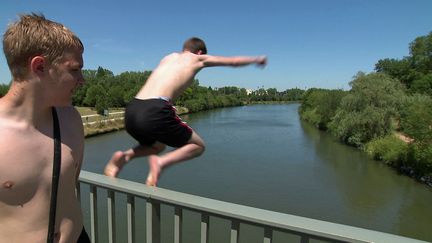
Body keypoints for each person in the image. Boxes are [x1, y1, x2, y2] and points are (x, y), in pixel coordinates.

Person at [105, 37, 267, 186]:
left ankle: (124, 156)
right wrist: (256, 59)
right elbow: (234, 61)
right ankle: (161, 163)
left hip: (132, 109)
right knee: (198, 146)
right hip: (155, 110)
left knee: (158, 146)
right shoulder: (198, 58)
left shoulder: (168, 57)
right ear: (199, 52)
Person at [0, 14, 90, 242]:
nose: (82, 79)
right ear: (39, 66)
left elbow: (70, 186)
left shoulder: (71, 120)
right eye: (74, 69)